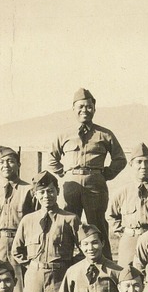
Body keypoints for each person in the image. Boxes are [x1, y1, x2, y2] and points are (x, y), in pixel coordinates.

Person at [48, 88, 128, 240]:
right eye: (81, 106)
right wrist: (64, 174)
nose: (85, 110)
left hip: (95, 185)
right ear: (73, 109)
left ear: (94, 109)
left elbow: (120, 159)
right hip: (71, 184)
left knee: (98, 225)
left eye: (89, 106)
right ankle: (67, 262)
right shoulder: (64, 135)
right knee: (67, 224)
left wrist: (105, 175)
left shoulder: (105, 134)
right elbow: (52, 158)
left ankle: (104, 262)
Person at [11, 174, 80, 292]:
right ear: (35, 194)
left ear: (57, 192)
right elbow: (16, 251)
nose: (46, 196)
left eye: (50, 191)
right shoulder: (28, 220)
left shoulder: (70, 219)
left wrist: (69, 266)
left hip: (59, 276)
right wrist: (32, 265)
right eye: (41, 192)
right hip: (34, 276)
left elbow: (84, 250)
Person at [0, 145, 40, 266]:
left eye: (11, 161)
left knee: (21, 281)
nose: (5, 165)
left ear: (19, 165)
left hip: (22, 244)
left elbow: (38, 218)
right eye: (1, 162)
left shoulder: (30, 191)